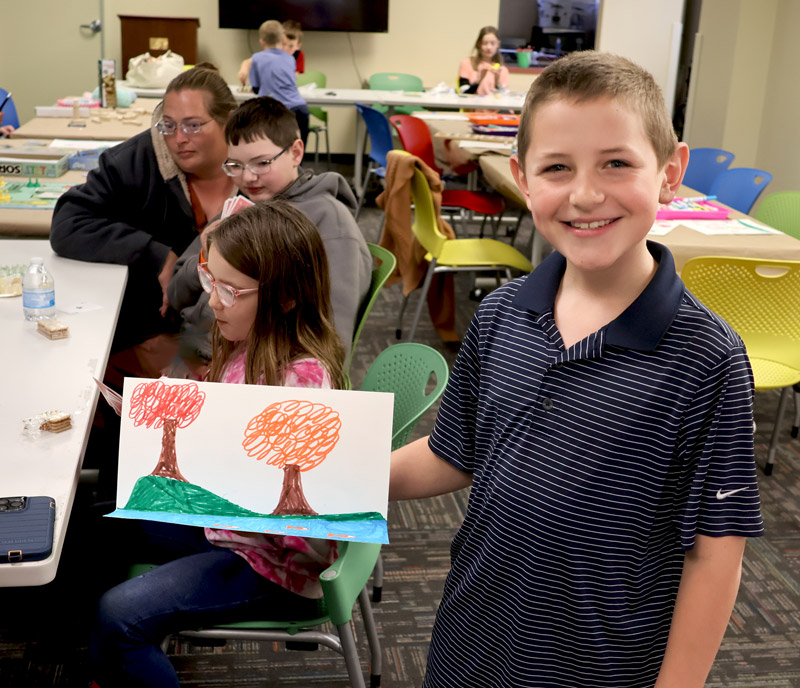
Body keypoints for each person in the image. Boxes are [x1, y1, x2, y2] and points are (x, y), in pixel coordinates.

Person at [390, 51, 764, 687]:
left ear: (670, 171)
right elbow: (455, 454)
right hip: (470, 642)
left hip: (599, 664)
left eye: (616, 163)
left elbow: (714, 554)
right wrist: (328, 476)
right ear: (523, 177)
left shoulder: (708, 357)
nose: (586, 194)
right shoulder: (503, 312)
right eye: (557, 168)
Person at [89, 200, 346, 687]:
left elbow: (312, 539)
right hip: (225, 527)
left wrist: (225, 472)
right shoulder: (247, 345)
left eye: (230, 291)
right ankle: (111, 665)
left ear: (286, 298)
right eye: (211, 282)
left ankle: (119, 655)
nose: (212, 303)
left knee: (118, 617)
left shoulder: (303, 392)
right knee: (95, 528)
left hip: (274, 566)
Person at [49, 64, 237, 376]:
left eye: (193, 126)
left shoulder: (257, 169)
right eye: (168, 125)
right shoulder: (134, 163)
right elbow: (69, 224)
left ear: (228, 119)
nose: (178, 139)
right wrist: (154, 254)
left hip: (234, 338)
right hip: (151, 334)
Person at [168, 96, 371, 368]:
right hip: (200, 349)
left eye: (262, 163)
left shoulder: (330, 225)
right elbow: (175, 292)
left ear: (296, 153)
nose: (248, 177)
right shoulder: (246, 208)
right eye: (236, 166)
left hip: (253, 370)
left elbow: (332, 341)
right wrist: (207, 259)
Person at [248, 20, 309, 145]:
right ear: (283, 39)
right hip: (301, 108)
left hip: (280, 112)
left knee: (277, 150)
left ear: (261, 42)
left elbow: (256, 88)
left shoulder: (257, 58)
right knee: (297, 151)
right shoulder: (290, 58)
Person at [238, 19, 305, 85]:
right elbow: (247, 62)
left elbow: (293, 77)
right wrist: (244, 69)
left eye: (291, 46)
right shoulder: (271, 52)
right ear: (278, 41)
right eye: (283, 44)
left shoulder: (298, 55)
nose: (285, 48)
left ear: (298, 46)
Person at [458, 26, 510, 95]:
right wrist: (479, 80)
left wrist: (497, 82)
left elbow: (502, 97)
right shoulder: (467, 63)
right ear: (479, 44)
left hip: (492, 105)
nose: (489, 47)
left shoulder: (502, 70)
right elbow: (463, 92)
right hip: (472, 105)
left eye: (493, 43)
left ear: (498, 44)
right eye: (485, 43)